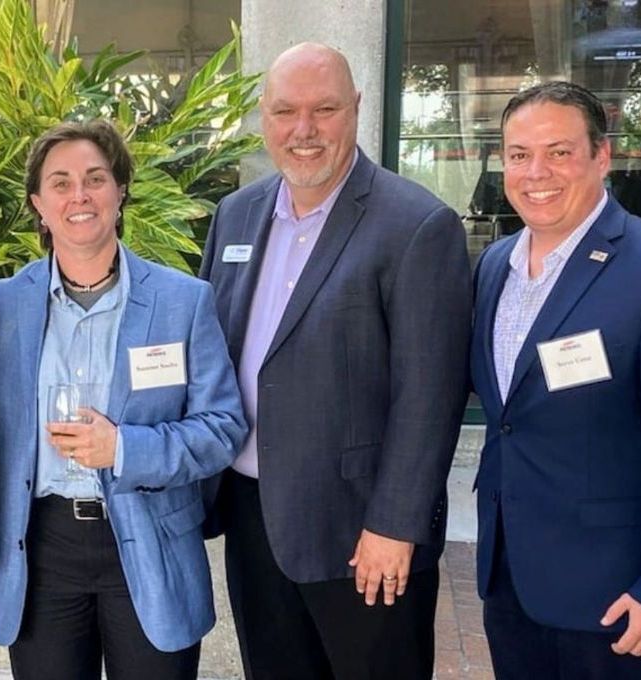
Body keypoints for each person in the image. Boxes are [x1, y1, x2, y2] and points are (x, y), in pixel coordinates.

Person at [199, 42, 471, 679]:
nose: (303, 131)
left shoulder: (416, 226)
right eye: (284, 111)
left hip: (361, 535)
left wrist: (395, 526)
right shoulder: (236, 216)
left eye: (324, 109)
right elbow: (214, 353)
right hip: (254, 516)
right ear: (262, 117)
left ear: (355, 109)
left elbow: (429, 395)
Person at [0, 119, 246, 680]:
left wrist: (124, 448)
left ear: (121, 191)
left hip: (150, 538)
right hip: (42, 550)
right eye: (60, 182)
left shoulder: (183, 302)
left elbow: (223, 427)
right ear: (38, 204)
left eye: (95, 178)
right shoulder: (1, 309)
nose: (79, 195)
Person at [470, 81, 641, 679]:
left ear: (602, 156)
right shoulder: (494, 266)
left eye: (559, 151)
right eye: (519, 154)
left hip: (615, 597)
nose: (536, 172)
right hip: (509, 579)